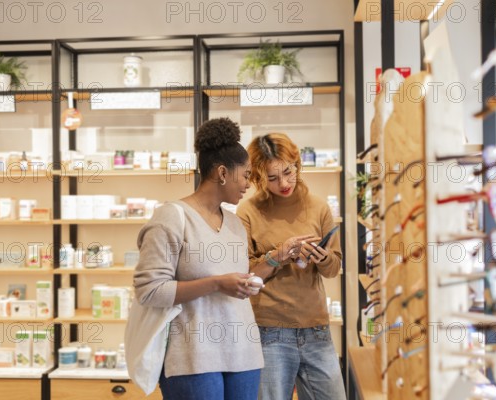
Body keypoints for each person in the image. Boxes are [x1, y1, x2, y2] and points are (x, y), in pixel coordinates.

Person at [133, 117, 264, 400]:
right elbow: (149, 290)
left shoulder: (235, 224)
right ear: (222, 173)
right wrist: (216, 284)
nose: (249, 184)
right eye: (246, 175)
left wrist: (253, 278)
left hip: (244, 354)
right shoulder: (171, 216)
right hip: (193, 358)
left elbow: (233, 284)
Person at [236, 133, 346, 400]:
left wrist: (321, 257)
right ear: (258, 178)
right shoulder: (248, 212)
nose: (283, 183)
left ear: (297, 163)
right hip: (270, 332)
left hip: (317, 328)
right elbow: (245, 277)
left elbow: (334, 268)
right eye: (272, 178)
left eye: (288, 172)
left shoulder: (319, 207)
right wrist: (278, 255)